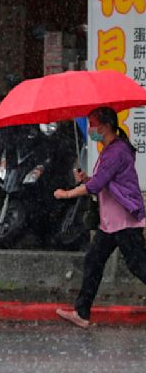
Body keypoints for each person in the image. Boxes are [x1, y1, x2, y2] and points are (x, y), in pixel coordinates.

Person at [54, 107, 146, 329]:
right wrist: (85, 178)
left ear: (105, 126)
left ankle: (82, 311)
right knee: (93, 261)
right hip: (110, 224)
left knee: (140, 266)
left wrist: (66, 193)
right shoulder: (111, 149)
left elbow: (96, 186)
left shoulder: (116, 152)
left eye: (93, 124)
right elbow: (103, 181)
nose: (91, 128)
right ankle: (82, 312)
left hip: (124, 222)